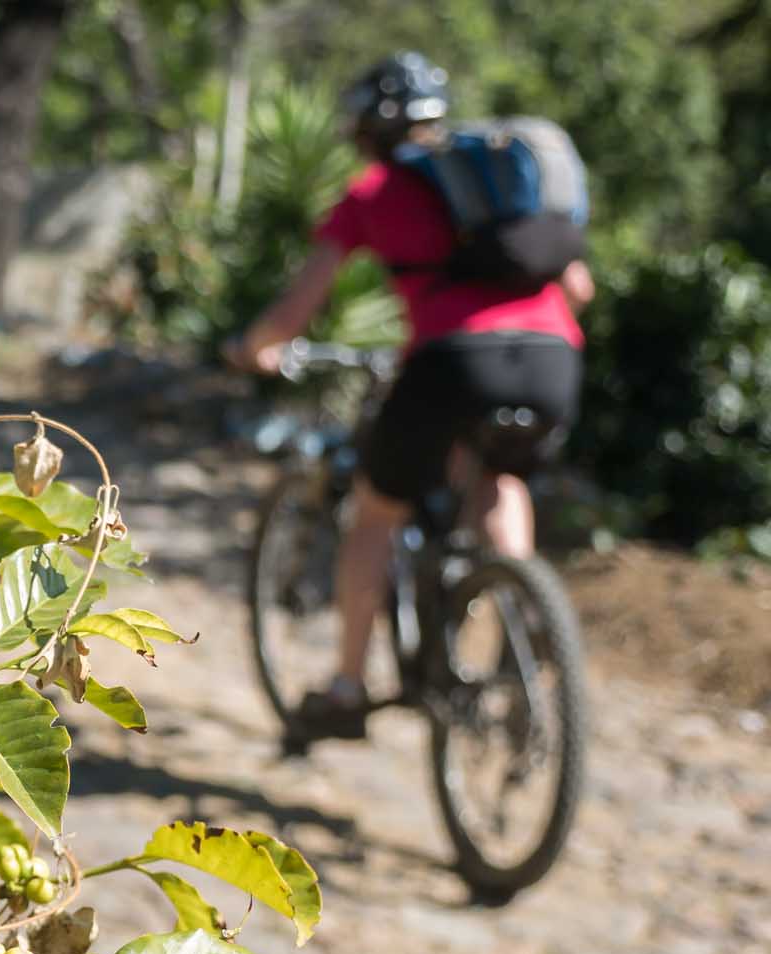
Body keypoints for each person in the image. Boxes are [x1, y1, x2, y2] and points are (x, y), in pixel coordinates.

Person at [225, 52, 595, 739]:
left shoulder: (375, 192)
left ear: (364, 129)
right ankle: (518, 619)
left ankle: (344, 687)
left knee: (375, 511)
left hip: (452, 359)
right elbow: (580, 289)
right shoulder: (500, 190)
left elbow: (299, 304)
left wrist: (254, 348)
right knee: (500, 481)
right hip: (552, 357)